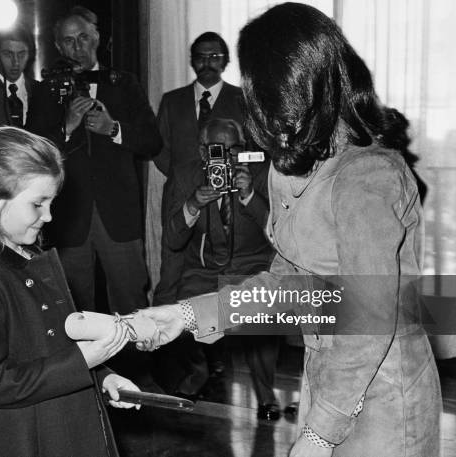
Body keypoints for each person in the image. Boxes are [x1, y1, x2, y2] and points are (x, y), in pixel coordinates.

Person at [138, 3, 442, 456]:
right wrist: (186, 315)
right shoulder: (302, 162)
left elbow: (370, 321)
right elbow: (287, 282)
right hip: (327, 374)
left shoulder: (368, 174)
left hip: (383, 390)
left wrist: (319, 435)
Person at [0, 126, 140, 457]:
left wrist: (103, 376)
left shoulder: (33, 261)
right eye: (38, 204)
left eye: (52, 203)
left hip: (61, 427)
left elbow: (55, 345)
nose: (49, 216)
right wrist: (83, 361)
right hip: (19, 437)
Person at [156, 118, 280, 419]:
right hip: (204, 269)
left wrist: (250, 196)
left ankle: (265, 393)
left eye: (234, 149)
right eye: (216, 150)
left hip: (251, 266)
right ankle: (199, 372)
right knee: (181, 313)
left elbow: (280, 234)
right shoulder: (185, 175)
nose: (226, 157)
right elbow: (172, 239)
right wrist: (193, 204)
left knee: (262, 319)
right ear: (202, 152)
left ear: (245, 148)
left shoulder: (263, 172)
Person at [44, 6, 161, 316]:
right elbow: (35, 148)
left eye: (83, 37)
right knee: (71, 308)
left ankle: (135, 366)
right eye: (68, 41)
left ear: (97, 37)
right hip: (67, 217)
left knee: (131, 302)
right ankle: (86, 367)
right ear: (58, 46)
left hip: (119, 215)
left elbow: (153, 141)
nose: (77, 47)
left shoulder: (125, 83)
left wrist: (113, 128)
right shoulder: (46, 89)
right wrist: (66, 127)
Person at [153, 31, 246, 307]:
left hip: (226, 198)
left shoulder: (242, 99)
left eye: (214, 57)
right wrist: (185, 178)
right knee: (172, 266)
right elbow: (160, 149)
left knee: (222, 263)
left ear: (226, 61)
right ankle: (168, 335)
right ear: (192, 61)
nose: (208, 62)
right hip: (182, 193)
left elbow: (248, 147)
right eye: (201, 57)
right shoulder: (172, 100)